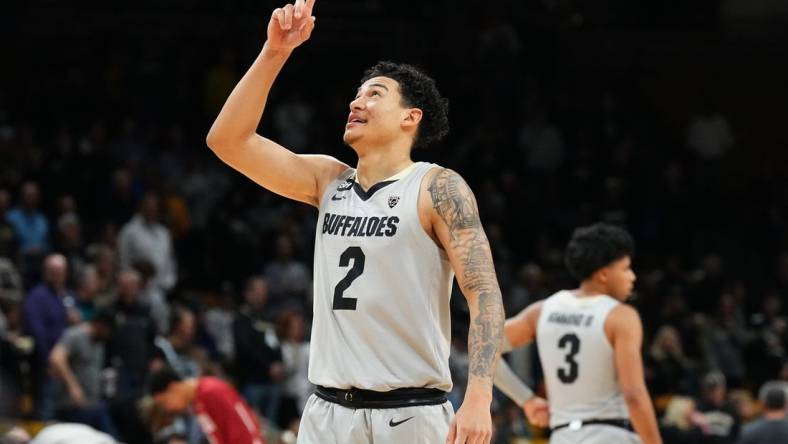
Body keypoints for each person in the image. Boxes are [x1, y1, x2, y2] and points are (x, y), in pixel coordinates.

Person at [205, 0, 506, 442]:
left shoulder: (436, 188)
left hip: (409, 413)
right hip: (326, 413)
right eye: (357, 94)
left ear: (411, 117)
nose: (356, 102)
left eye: (374, 94)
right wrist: (274, 53)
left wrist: (480, 395)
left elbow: (484, 293)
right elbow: (227, 140)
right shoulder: (327, 180)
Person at [494, 223, 662, 443]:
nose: (632, 277)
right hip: (612, 434)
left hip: (563, 436)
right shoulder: (620, 316)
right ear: (603, 274)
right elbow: (634, 395)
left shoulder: (543, 310)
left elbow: (481, 350)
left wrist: (526, 399)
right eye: (626, 268)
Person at [48, 310, 118, 438]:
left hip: (92, 403)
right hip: (73, 406)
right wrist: (73, 386)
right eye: (108, 330)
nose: (109, 335)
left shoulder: (99, 343)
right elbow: (56, 357)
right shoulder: (75, 335)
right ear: (100, 325)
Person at [148, 367, 264, 444]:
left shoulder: (211, 391)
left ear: (173, 388)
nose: (168, 409)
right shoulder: (198, 401)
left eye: (164, 403)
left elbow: (245, 429)